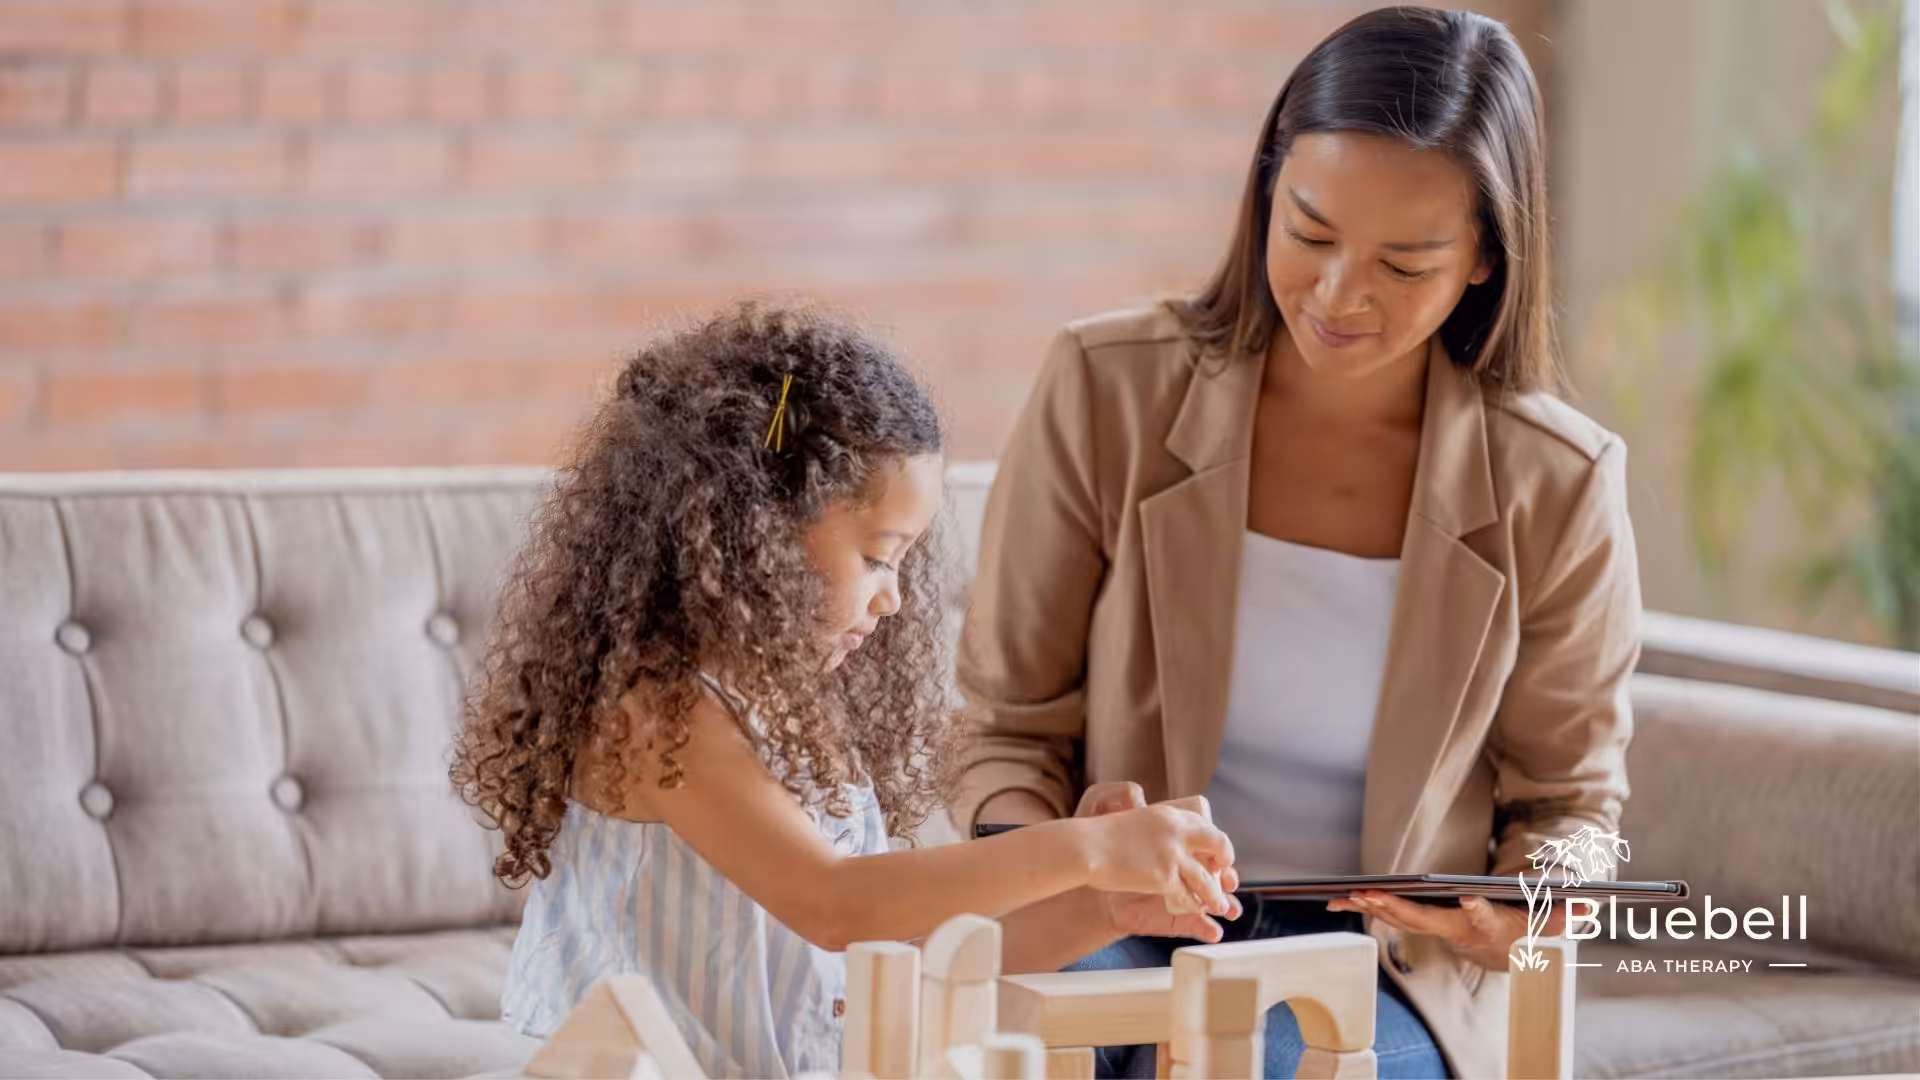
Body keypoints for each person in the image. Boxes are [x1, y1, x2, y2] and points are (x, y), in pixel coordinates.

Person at [954, 8, 1641, 1078]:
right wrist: (1063, 849)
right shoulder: (1107, 388)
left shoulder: (1558, 482)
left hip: (1377, 964)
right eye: (1310, 232)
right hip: (1107, 919)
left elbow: (1573, 808)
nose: (1337, 295)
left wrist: (1531, 906)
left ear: (1483, 265)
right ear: (1267, 189)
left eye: (1404, 264)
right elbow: (1002, 729)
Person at [449, 303, 1237, 1079]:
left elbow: (896, 955)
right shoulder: (659, 714)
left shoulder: (799, 717)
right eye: (878, 557)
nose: (893, 598)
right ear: (753, 531)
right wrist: (1085, 847)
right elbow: (837, 905)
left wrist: (1097, 905)